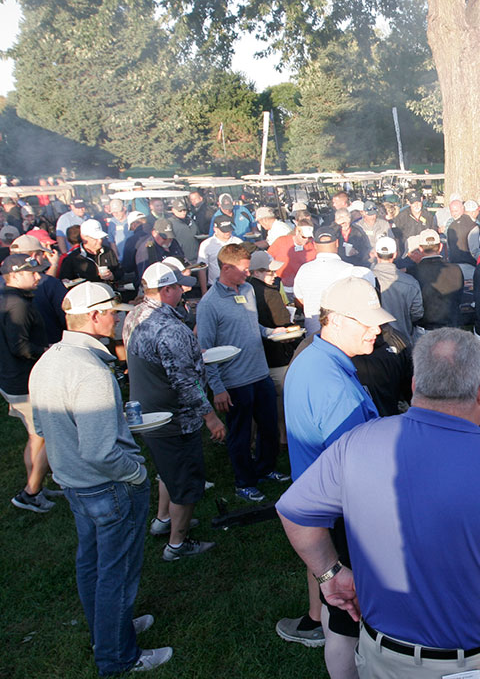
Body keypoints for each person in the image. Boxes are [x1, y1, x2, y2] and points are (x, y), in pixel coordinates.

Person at [276, 328, 480, 678]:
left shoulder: (355, 445)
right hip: (476, 664)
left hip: (383, 660)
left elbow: (294, 510)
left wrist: (330, 573)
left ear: (415, 384)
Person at [30, 281, 172, 673]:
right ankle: (118, 656)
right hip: (107, 487)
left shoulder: (48, 360)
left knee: (92, 564)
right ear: (94, 316)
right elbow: (99, 450)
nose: (116, 319)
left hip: (74, 484)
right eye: (112, 312)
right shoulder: (89, 370)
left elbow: (42, 424)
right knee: (117, 574)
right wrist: (137, 472)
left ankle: (108, 631)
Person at [276, 277, 396, 668]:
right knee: (348, 621)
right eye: (368, 322)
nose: (377, 329)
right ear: (338, 320)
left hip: (322, 507)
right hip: (346, 516)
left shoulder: (313, 357)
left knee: (336, 617)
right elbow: (360, 467)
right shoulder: (331, 383)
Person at [127, 263, 224, 561]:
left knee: (166, 470)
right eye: (179, 287)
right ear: (166, 290)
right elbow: (185, 383)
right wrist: (211, 417)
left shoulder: (134, 315)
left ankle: (163, 520)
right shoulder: (171, 329)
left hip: (147, 412)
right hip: (175, 417)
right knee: (186, 480)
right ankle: (177, 544)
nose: (184, 291)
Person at [195, 243, 292, 502]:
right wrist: (217, 387)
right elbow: (206, 350)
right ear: (226, 268)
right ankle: (244, 482)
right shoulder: (209, 304)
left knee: (269, 427)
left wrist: (271, 333)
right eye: (244, 269)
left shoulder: (248, 290)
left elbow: (251, 324)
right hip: (235, 381)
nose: (248, 274)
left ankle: (265, 468)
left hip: (260, 373)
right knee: (239, 433)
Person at [0, 253, 55, 513]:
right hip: (24, 383)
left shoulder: (6, 300)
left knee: (34, 438)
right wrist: (48, 349)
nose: (38, 276)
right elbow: (20, 347)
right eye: (32, 273)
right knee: (46, 437)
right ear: (16, 276)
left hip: (12, 380)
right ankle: (29, 493)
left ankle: (37, 485)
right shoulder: (17, 304)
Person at [247, 250, 299, 447]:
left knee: (255, 403)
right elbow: (284, 324)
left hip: (254, 358)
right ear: (258, 272)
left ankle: (252, 440)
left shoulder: (245, 290)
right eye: (270, 272)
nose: (275, 275)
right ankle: (283, 437)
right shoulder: (270, 293)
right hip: (276, 357)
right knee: (282, 399)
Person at [293, 225, 374, 335]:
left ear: (314, 245)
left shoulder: (303, 270)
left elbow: (300, 300)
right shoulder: (350, 270)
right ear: (337, 243)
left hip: (313, 335)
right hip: (341, 335)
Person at [409, 229, 464, 331]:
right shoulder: (456, 269)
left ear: (420, 248)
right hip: (451, 327)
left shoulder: (412, 272)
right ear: (440, 246)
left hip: (425, 329)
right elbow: (459, 298)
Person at [371, 237, 423, 339]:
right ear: (395, 254)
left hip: (375, 340)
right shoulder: (410, 282)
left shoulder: (366, 279)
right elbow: (417, 312)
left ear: (376, 254)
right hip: (402, 339)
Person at [269, 216, 317, 294]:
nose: (306, 240)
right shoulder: (281, 241)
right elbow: (268, 259)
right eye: (304, 237)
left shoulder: (312, 246)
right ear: (297, 231)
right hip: (282, 286)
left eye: (309, 237)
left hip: (302, 287)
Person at [197, 215, 243, 287]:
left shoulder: (238, 242)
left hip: (236, 284)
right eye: (224, 230)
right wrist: (204, 291)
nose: (227, 232)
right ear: (215, 229)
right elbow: (202, 268)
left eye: (229, 229)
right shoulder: (206, 245)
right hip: (215, 285)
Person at [445, 197, 477, 267]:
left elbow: (474, 249)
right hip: (461, 263)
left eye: (456, 211)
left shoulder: (471, 224)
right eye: (452, 211)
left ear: (463, 209)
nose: (454, 214)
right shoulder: (450, 224)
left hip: (464, 264)